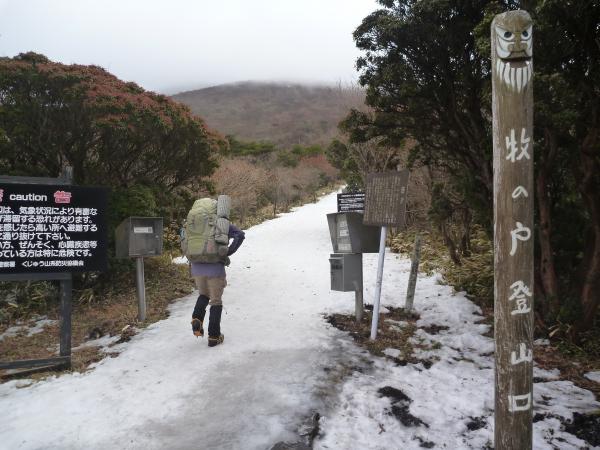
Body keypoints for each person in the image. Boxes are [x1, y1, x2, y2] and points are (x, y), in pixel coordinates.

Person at [190, 222, 245, 347]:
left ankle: (197, 318)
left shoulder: (194, 220)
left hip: (197, 266)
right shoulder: (222, 222)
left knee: (204, 294)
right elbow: (240, 235)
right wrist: (228, 252)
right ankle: (214, 337)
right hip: (215, 267)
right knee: (215, 301)